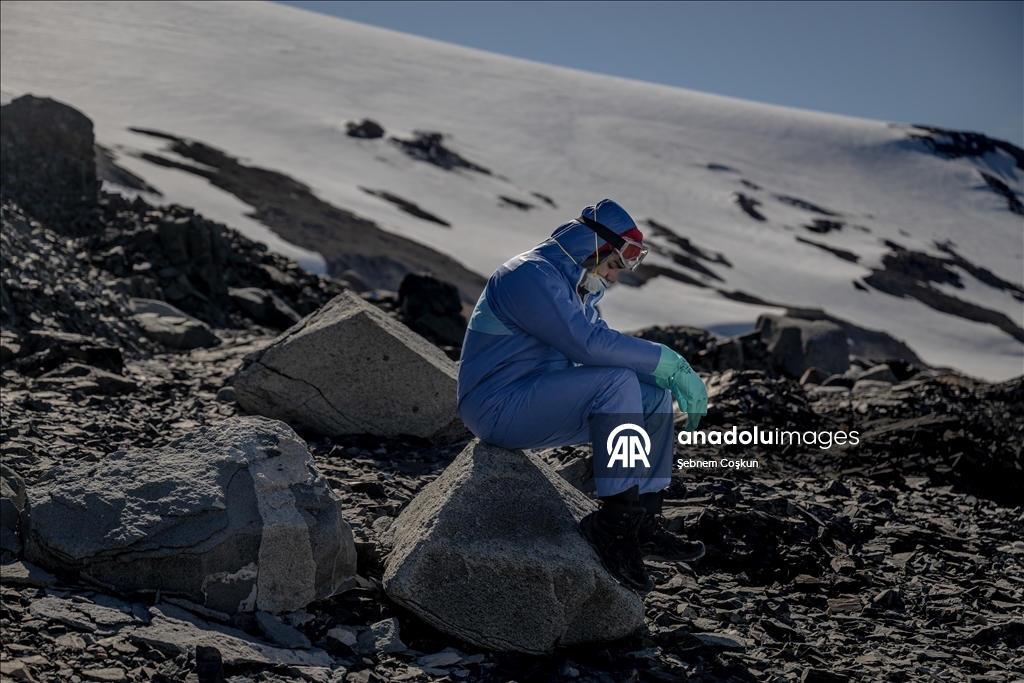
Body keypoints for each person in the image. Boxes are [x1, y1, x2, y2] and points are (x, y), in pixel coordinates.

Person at [457, 198, 708, 593]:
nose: (613, 278)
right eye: (611, 266)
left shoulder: (575, 289)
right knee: (618, 381)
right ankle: (613, 524)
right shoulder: (527, 275)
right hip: (496, 407)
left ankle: (641, 519)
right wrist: (670, 360)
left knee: (652, 393)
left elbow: (592, 348)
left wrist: (664, 375)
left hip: (533, 402)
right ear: (590, 249)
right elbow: (586, 345)